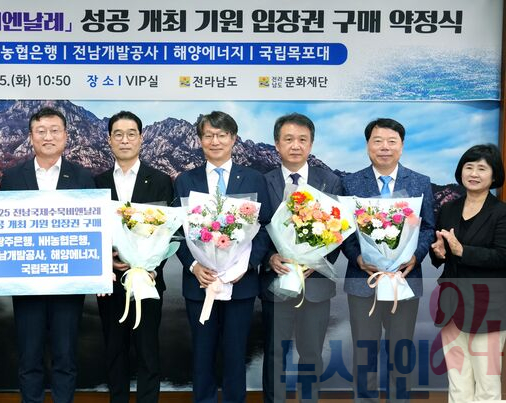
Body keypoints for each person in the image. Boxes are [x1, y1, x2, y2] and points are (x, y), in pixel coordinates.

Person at [173, 111, 272, 403]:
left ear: (233, 139)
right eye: (208, 135)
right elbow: (175, 231)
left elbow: (266, 227)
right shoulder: (185, 180)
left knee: (235, 353)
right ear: (200, 140)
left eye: (221, 135)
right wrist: (193, 265)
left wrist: (247, 265)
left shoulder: (254, 178)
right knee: (202, 354)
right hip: (200, 284)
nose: (215, 141)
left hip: (240, 284)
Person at [0, 107, 95, 403]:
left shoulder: (82, 176)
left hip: (69, 283)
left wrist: (101, 267)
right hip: (26, 283)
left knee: (65, 357)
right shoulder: (13, 177)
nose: (48, 137)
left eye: (54, 130)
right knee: (29, 357)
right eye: (41, 131)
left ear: (66, 135)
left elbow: (95, 228)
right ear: (31, 137)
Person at [341, 118, 435, 403]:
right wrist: (358, 258)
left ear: (401, 146)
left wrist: (415, 257)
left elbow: (428, 227)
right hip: (363, 281)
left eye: (391, 141)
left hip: (404, 281)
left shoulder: (420, 182)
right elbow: (343, 231)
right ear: (368, 145)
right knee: (364, 353)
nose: (384, 147)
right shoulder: (350, 182)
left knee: (401, 353)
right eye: (378, 141)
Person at [260, 113, 342, 403]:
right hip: (276, 280)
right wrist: (269, 257)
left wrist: (315, 260)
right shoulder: (263, 181)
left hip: (315, 282)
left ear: (311, 144)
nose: (295, 145)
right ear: (277, 144)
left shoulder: (330, 181)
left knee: (311, 353)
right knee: (275, 353)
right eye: (288, 139)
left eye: (302, 140)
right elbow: (255, 229)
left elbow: (340, 231)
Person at [94, 111, 173, 403]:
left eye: (131, 134)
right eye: (118, 134)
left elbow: (169, 232)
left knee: (148, 353)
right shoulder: (97, 182)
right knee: (114, 353)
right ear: (109, 140)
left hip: (148, 283)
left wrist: (152, 268)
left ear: (141, 138)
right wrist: (106, 262)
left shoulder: (161, 180)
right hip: (110, 284)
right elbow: (92, 232)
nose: (124, 140)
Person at [429, 144, 506, 403]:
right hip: (451, 303)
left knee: (487, 382)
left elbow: (502, 256)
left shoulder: (502, 213)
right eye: (469, 167)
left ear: (494, 176)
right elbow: (441, 252)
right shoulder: (448, 209)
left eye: (482, 169)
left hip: (488, 306)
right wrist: (439, 253)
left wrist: (463, 251)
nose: (473, 173)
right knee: (457, 379)